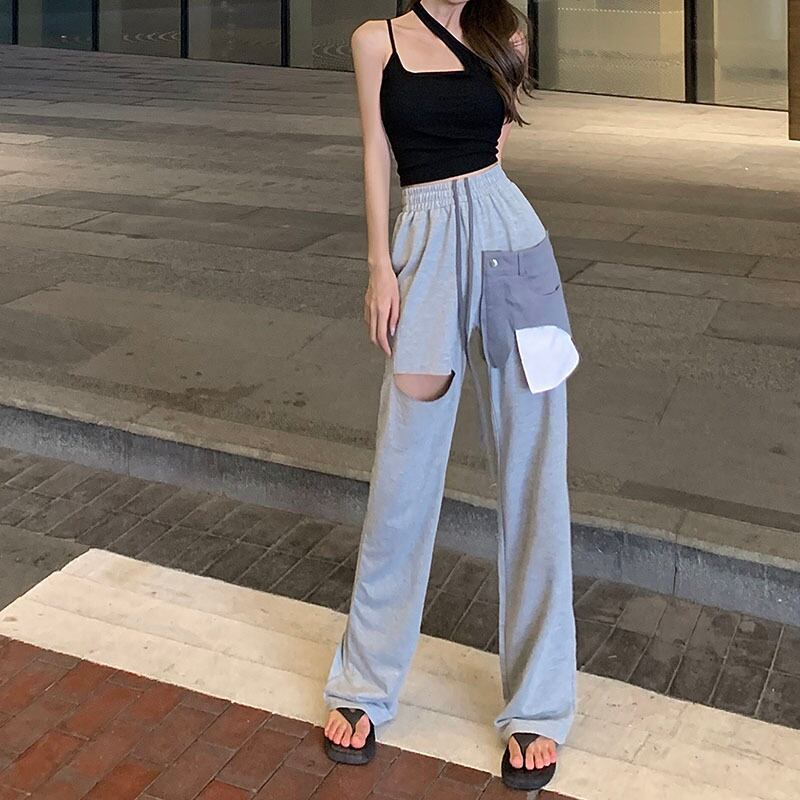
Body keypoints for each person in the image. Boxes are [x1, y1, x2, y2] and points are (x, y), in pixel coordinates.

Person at [321, 0, 580, 791]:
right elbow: (375, 148)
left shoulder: (506, 32)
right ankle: (365, 683)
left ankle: (540, 705)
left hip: (513, 244)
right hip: (425, 247)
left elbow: (496, 144)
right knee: (402, 475)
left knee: (535, 478)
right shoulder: (376, 42)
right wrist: (379, 265)